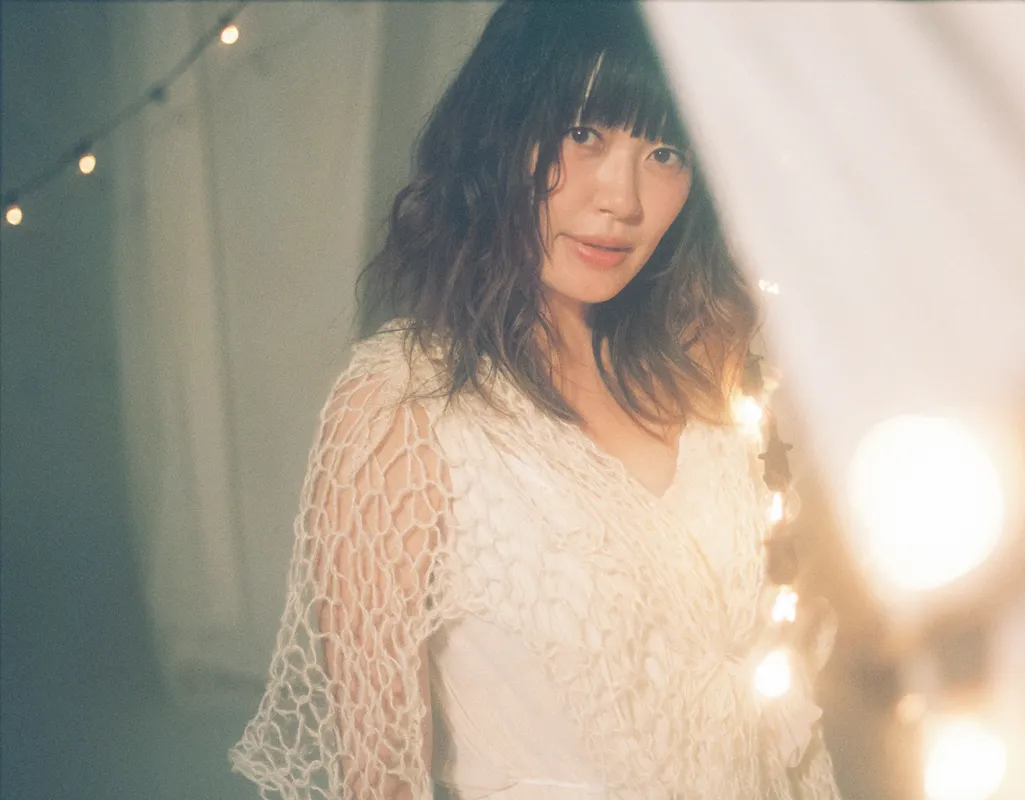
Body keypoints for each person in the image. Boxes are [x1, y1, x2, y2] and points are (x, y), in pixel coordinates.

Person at [230, 2, 840, 798]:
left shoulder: (707, 370)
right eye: (583, 133)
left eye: (665, 151)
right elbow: (379, 779)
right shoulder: (400, 410)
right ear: (501, 131)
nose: (622, 199)